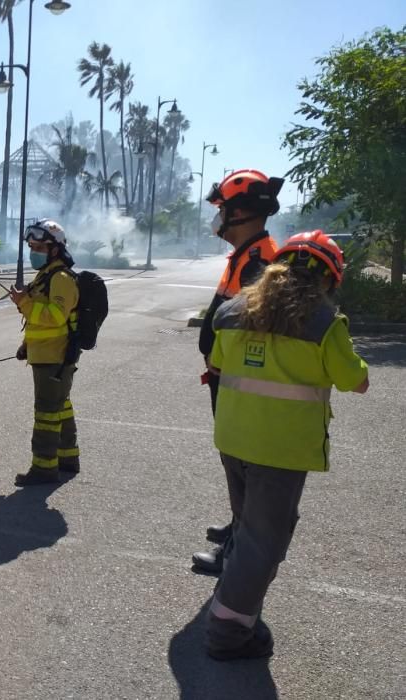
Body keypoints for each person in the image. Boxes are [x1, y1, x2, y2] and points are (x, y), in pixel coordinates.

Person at [204, 230, 369, 660]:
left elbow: (217, 363)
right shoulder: (325, 323)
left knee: (246, 528)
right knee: (264, 541)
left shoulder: (233, 310)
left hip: (233, 440)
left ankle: (239, 607)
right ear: (329, 279)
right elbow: (357, 382)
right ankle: (228, 630)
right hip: (280, 452)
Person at [193, 169, 283, 575]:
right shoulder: (247, 255)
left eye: (223, 209)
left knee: (241, 462)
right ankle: (239, 526)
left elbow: (248, 331)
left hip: (238, 381)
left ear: (242, 212)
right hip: (225, 377)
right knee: (236, 463)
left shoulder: (260, 261)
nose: (218, 217)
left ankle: (238, 550)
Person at [8, 219, 81, 487]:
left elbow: (54, 317)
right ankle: (68, 458)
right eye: (31, 246)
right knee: (60, 407)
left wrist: (24, 302)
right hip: (46, 355)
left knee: (47, 413)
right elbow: (40, 320)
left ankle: (43, 468)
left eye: (39, 246)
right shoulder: (46, 276)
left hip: (55, 357)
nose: (33, 251)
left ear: (54, 249)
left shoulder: (61, 279)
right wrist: (27, 346)